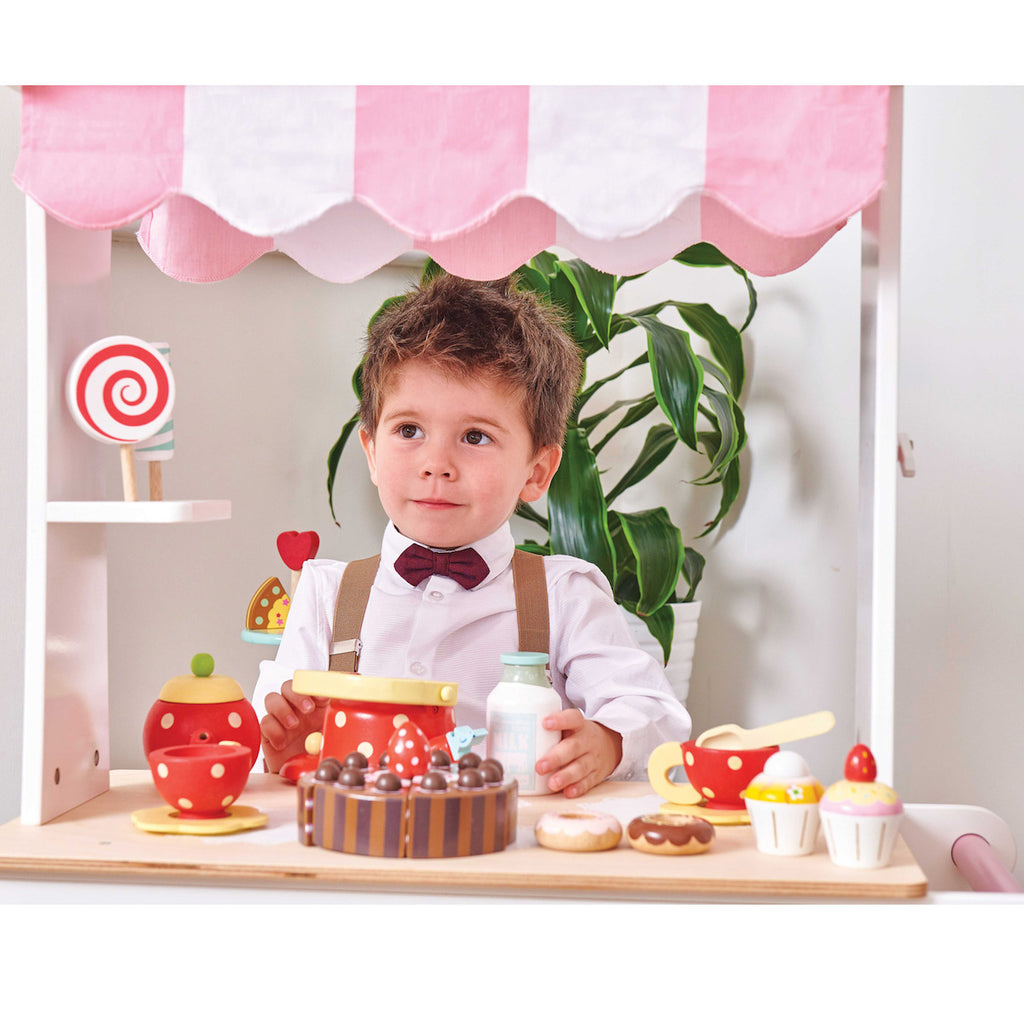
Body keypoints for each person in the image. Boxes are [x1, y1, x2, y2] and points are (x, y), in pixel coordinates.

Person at [252, 272, 691, 798]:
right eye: (409, 431)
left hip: (511, 861)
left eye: (475, 437)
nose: (437, 465)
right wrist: (280, 746)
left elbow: (657, 716)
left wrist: (609, 742)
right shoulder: (326, 596)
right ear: (371, 451)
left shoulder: (565, 596)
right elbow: (273, 742)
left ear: (536, 472)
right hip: (360, 859)